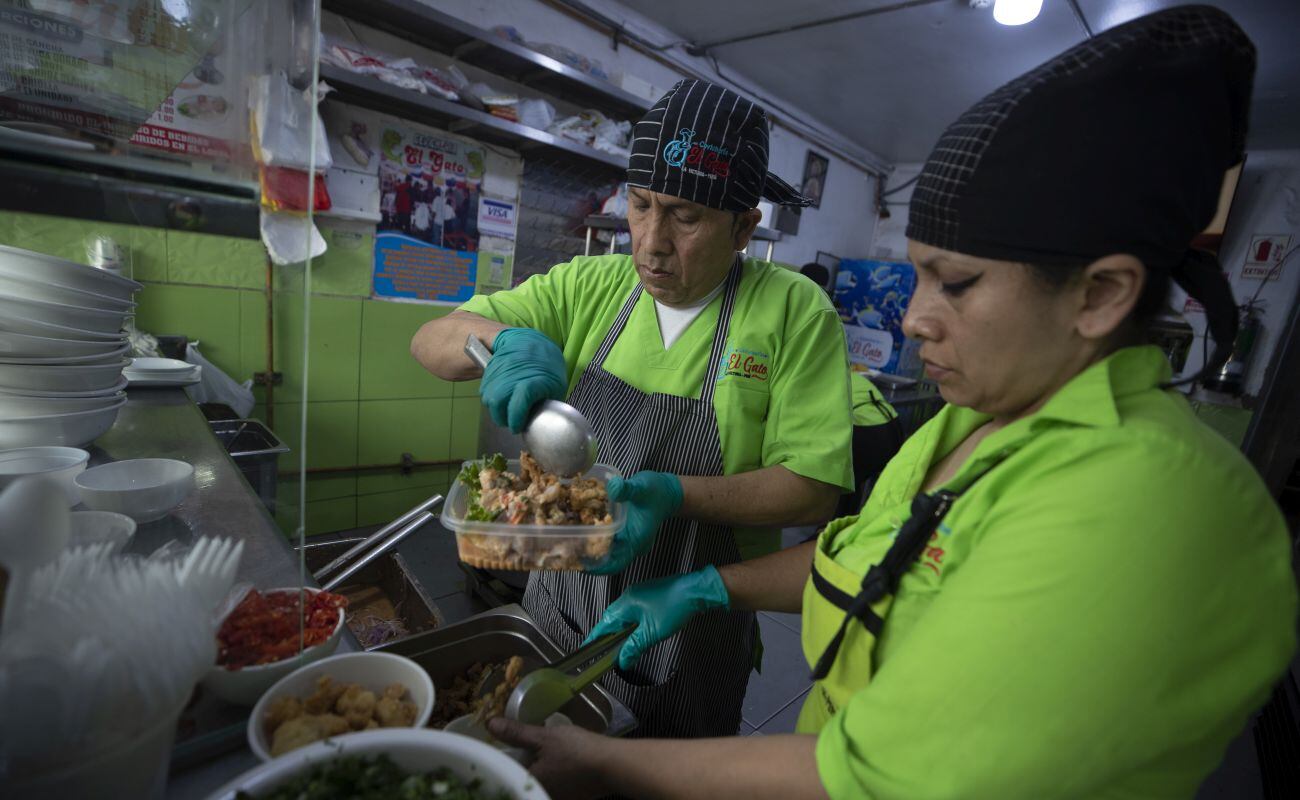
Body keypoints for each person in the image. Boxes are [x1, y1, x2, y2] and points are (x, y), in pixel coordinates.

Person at [483, 8, 1298, 798]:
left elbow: (870, 779)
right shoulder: (972, 423)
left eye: (959, 283)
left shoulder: (1142, 503)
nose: (912, 318)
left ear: (1101, 295)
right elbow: (873, 565)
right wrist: (708, 589)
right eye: (919, 276)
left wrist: (607, 765)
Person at [411, 79, 855, 738]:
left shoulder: (792, 312)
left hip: (688, 624)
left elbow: (814, 488)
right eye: (641, 206)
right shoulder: (592, 284)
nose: (650, 242)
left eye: (685, 216)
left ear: (743, 228)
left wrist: (673, 494)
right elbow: (431, 340)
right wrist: (500, 341)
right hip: (556, 609)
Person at [800, 261, 903, 515]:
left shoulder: (822, 374)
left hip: (866, 430)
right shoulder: (844, 369)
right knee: (853, 488)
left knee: (836, 485)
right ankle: (840, 526)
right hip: (893, 426)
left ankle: (828, 532)